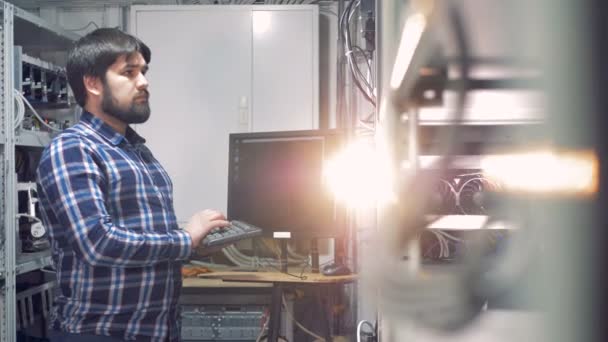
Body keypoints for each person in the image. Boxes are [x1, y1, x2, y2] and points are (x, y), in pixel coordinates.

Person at [36, 28, 229, 342]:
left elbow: (144, 237)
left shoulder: (138, 152)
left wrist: (198, 245)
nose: (144, 82)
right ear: (93, 83)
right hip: (98, 334)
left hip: (154, 332)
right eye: (129, 72)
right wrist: (185, 240)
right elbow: (97, 243)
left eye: (144, 72)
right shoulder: (73, 148)